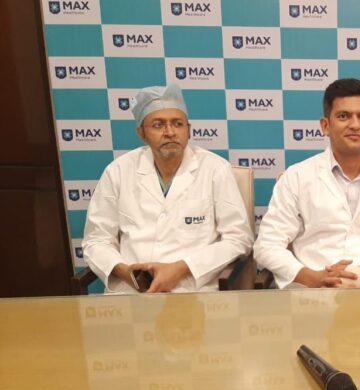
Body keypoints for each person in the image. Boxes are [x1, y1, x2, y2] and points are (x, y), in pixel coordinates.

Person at [254, 78, 360, 288]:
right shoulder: (296, 176)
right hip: (311, 294)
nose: (354, 125)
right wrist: (313, 277)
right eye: (343, 116)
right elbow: (267, 245)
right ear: (325, 126)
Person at [82, 83, 253, 293]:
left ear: (188, 130)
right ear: (142, 133)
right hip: (132, 291)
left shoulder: (215, 169)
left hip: (193, 289)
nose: (170, 132)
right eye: (158, 124)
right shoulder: (118, 171)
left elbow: (239, 238)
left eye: (178, 124)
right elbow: (96, 240)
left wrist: (182, 268)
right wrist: (126, 272)